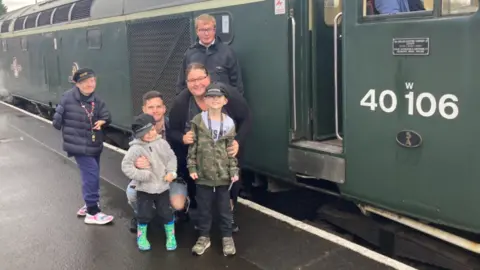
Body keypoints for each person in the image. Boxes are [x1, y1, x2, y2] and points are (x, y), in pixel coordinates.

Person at [167, 63, 252, 232]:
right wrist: (183, 138)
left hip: (226, 156)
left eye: (201, 78)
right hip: (197, 159)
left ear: (209, 78)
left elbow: (247, 119)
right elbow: (172, 132)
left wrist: (237, 142)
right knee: (201, 194)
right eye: (192, 80)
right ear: (186, 82)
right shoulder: (182, 102)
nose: (197, 84)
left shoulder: (228, 95)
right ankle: (198, 215)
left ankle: (228, 216)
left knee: (227, 191)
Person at [52, 68, 114, 225]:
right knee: (91, 174)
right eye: (85, 82)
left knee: (92, 175)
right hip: (78, 144)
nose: (90, 84)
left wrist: (103, 121)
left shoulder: (97, 100)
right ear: (77, 84)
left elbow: (107, 116)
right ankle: (93, 212)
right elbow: (56, 122)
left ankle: (89, 204)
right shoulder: (67, 98)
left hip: (94, 143)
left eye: (92, 81)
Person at [126, 91, 189, 233]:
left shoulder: (174, 126)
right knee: (132, 193)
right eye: (151, 107)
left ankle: (170, 213)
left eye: (158, 106)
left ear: (164, 108)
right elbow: (131, 157)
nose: (155, 110)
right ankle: (140, 215)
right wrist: (137, 164)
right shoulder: (138, 129)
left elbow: (180, 156)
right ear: (144, 109)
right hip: (147, 177)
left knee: (177, 203)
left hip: (170, 177)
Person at [188, 84, 239, 256]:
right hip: (203, 175)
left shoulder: (229, 123)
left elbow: (231, 150)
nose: (215, 100)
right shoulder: (198, 121)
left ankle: (227, 237)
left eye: (219, 97)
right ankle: (204, 237)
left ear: (225, 101)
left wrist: (233, 170)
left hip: (223, 175)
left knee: (225, 209)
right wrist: (192, 166)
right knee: (204, 209)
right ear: (205, 100)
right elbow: (192, 147)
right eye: (211, 97)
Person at [121, 113, 178, 251]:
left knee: (166, 212)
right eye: (145, 132)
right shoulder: (135, 149)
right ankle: (142, 236)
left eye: (152, 129)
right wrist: (143, 175)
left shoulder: (163, 143)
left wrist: (171, 172)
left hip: (163, 187)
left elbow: (171, 158)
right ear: (138, 135)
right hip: (144, 189)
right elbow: (126, 166)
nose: (150, 134)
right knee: (143, 213)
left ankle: (171, 235)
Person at [176, 13, 244, 95]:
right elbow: (181, 84)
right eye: (202, 30)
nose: (206, 34)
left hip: (221, 104)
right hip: (197, 104)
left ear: (214, 30)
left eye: (209, 29)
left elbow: (237, 85)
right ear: (197, 31)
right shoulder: (190, 54)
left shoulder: (227, 52)